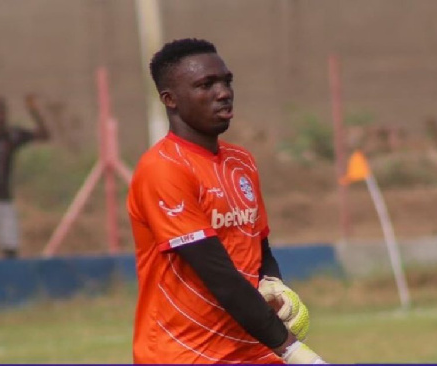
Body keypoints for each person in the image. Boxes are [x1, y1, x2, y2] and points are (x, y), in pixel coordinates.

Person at [127, 38, 326, 364]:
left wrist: (274, 287)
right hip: (183, 354)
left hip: (252, 349)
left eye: (226, 81)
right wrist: (292, 350)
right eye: (206, 85)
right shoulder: (163, 169)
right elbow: (218, 274)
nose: (223, 92)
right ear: (170, 99)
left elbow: (258, 247)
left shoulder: (241, 161)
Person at [0, 95, 50, 259]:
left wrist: (34, 112)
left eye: (1, 113)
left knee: (10, 243)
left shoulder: (11, 136)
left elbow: (43, 135)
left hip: (2, 198)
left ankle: (11, 279)